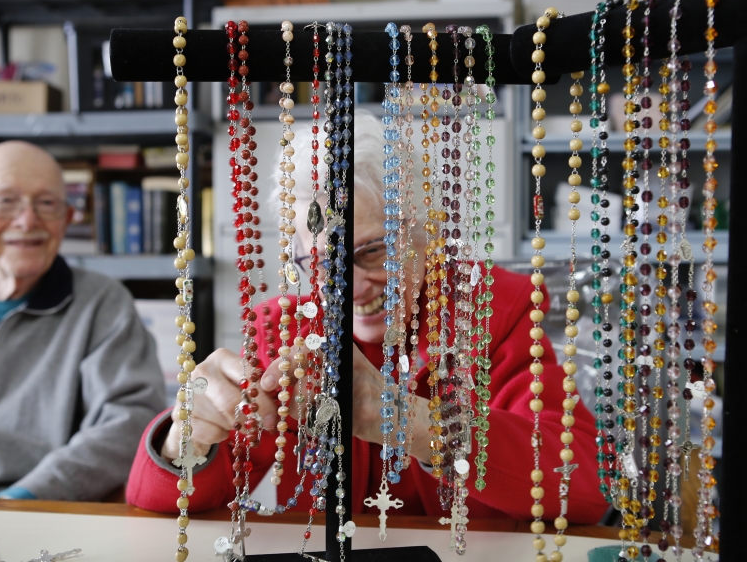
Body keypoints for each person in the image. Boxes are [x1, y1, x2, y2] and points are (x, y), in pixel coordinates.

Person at [126, 111, 606, 523]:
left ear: (428, 237)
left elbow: (582, 486)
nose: (349, 287)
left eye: (374, 252)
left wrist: (405, 420)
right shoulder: (288, 330)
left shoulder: (498, 309)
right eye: (319, 264)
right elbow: (161, 502)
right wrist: (187, 438)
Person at [0, 141, 166, 501]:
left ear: (67, 218)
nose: (27, 220)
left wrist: (25, 497)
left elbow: (129, 421)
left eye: (46, 203)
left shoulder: (102, 303)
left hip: (49, 506)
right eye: (5, 201)